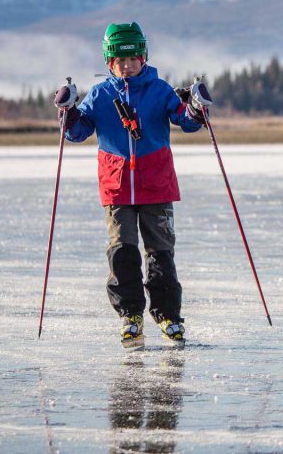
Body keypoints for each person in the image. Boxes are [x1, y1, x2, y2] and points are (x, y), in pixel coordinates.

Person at [53, 22, 207, 349]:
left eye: (133, 59)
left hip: (157, 185)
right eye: (120, 61)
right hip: (116, 187)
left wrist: (197, 105)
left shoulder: (160, 90)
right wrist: (67, 111)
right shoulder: (101, 94)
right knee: (122, 253)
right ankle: (130, 316)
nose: (128, 66)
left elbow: (187, 121)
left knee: (161, 254)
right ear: (110, 63)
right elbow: (78, 132)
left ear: (143, 57)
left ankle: (168, 316)